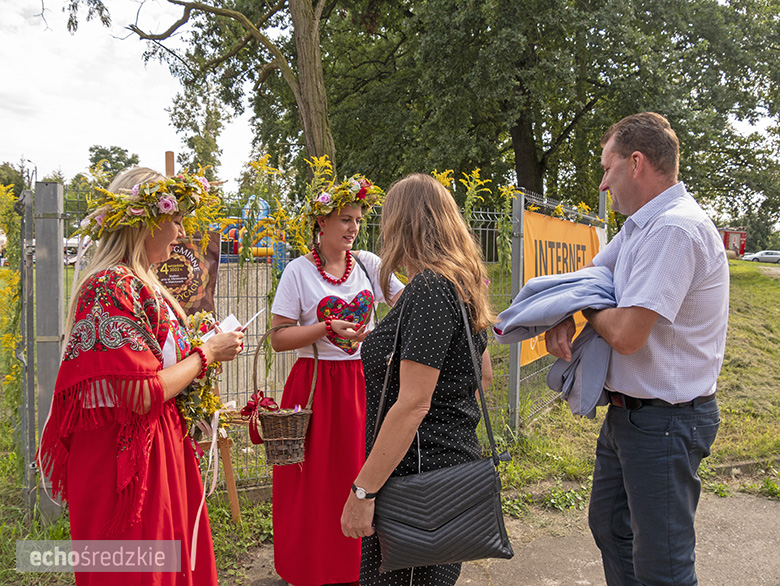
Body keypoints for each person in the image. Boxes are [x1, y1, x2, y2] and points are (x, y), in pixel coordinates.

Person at [545, 112, 729, 586]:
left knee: (662, 565)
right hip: (634, 416)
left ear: (637, 163)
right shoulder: (639, 228)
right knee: (610, 527)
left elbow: (626, 335)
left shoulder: (673, 230)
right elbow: (589, 279)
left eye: (607, 169)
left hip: (666, 421)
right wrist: (571, 307)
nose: (603, 184)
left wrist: (582, 310)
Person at [37, 167, 244, 585]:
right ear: (146, 221)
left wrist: (200, 347)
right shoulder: (110, 286)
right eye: (176, 218)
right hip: (124, 466)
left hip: (154, 448)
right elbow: (138, 392)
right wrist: (206, 355)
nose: (182, 230)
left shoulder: (138, 282)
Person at [340, 173, 494, 586]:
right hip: (447, 469)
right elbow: (483, 372)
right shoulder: (460, 284)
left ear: (403, 225)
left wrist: (362, 493)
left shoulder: (428, 286)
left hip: (419, 481)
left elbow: (413, 403)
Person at [268, 174, 404, 586]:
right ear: (320, 224)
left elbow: (405, 304)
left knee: (360, 473)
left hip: (364, 383)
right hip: (315, 386)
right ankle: (311, 568)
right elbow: (278, 337)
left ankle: (358, 568)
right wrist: (325, 329)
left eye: (358, 220)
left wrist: (378, 337)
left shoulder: (369, 264)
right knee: (313, 482)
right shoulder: (296, 272)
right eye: (345, 219)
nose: (353, 228)